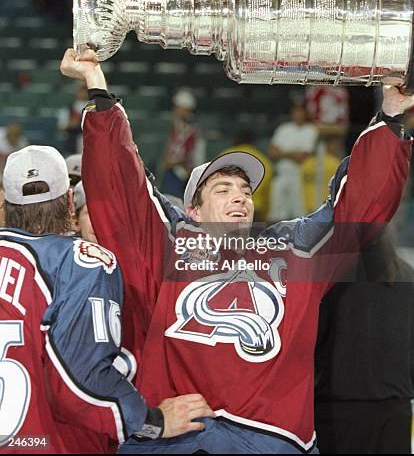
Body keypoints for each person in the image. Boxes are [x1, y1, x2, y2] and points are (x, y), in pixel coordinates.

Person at [61, 47, 413, 454]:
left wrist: (389, 114)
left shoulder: (295, 250)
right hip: (178, 439)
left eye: (245, 191)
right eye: (223, 189)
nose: (239, 198)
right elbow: (122, 190)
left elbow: (358, 208)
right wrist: (98, 88)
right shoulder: (168, 244)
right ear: (192, 209)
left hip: (270, 441)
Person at [0, 144, 214, 453]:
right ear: (70, 202)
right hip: (55, 443)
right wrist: (152, 421)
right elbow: (80, 380)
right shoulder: (79, 261)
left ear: (6, 203)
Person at [315, 232, 414, 454]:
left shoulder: (330, 276)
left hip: (339, 412)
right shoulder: (405, 272)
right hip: (395, 410)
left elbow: (310, 343)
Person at [268, 102, 318, 221]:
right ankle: (276, 238)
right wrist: (292, 153)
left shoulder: (311, 130)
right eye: (295, 111)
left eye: (300, 111)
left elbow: (301, 157)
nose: (297, 114)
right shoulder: (284, 128)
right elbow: (272, 152)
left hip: (299, 176)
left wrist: (282, 153)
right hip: (281, 173)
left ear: (306, 113)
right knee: (276, 213)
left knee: (299, 214)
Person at [159, 88, 205, 200]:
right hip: (170, 172)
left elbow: (197, 154)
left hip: (184, 173)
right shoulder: (173, 126)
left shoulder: (194, 131)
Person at [223, 128, 273, 221]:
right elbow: (267, 194)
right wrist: (264, 216)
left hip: (227, 208)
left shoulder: (223, 157)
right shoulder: (263, 161)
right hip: (253, 209)